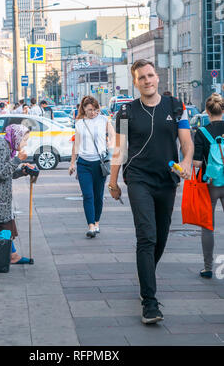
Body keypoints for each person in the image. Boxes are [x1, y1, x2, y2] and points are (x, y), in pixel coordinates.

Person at [109, 59, 193, 325]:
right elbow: (120, 150)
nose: (147, 80)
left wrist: (188, 161)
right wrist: (113, 182)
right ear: (135, 82)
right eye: (141, 78)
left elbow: (186, 142)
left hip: (167, 180)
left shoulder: (176, 107)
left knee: (160, 239)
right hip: (138, 179)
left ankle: (147, 275)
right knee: (146, 236)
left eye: (150, 75)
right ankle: (150, 302)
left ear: (158, 77)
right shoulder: (125, 112)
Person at [0, 124, 33, 264]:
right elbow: (1, 172)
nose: (25, 144)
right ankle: (9, 256)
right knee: (0, 223)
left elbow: (7, 172)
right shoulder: (0, 146)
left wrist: (22, 171)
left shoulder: (6, 146)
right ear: (16, 137)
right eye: (24, 140)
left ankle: (12, 254)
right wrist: (18, 160)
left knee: (3, 221)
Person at [68, 96, 114, 238]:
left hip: (99, 164)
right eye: (89, 110)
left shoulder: (104, 120)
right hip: (83, 164)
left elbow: (113, 137)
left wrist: (110, 149)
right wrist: (72, 163)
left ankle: (97, 221)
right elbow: (76, 144)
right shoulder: (80, 123)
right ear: (84, 109)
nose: (93, 113)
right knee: (88, 195)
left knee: (98, 196)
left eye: (95, 110)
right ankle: (91, 226)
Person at [193, 93, 224, 279]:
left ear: (206, 111)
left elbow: (196, 163)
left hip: (210, 184)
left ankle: (207, 268)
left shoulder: (202, 132)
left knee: (208, 226)